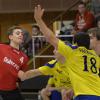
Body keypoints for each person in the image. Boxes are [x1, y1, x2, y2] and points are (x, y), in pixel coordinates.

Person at [32, 5, 100, 100]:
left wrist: (39, 20)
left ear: (75, 43)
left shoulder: (73, 50)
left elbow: (51, 37)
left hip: (84, 95)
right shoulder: (95, 56)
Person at [0, 26, 29, 100]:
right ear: (10, 37)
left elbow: (21, 77)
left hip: (11, 90)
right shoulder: (1, 47)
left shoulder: (24, 57)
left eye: (22, 34)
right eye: (17, 33)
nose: (21, 35)